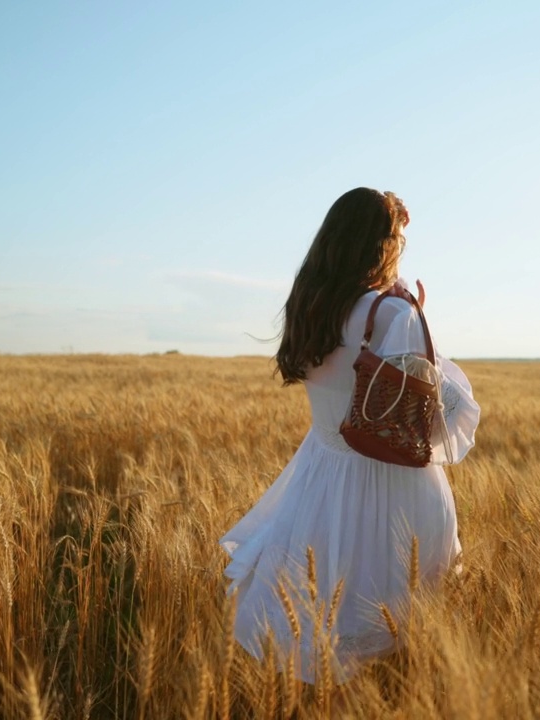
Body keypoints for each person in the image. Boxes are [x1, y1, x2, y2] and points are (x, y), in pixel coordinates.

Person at [219, 187, 480, 684]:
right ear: (385, 246)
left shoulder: (309, 309)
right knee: (397, 640)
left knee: (322, 626)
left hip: (319, 483)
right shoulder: (395, 314)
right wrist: (419, 322)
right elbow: (442, 415)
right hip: (393, 492)